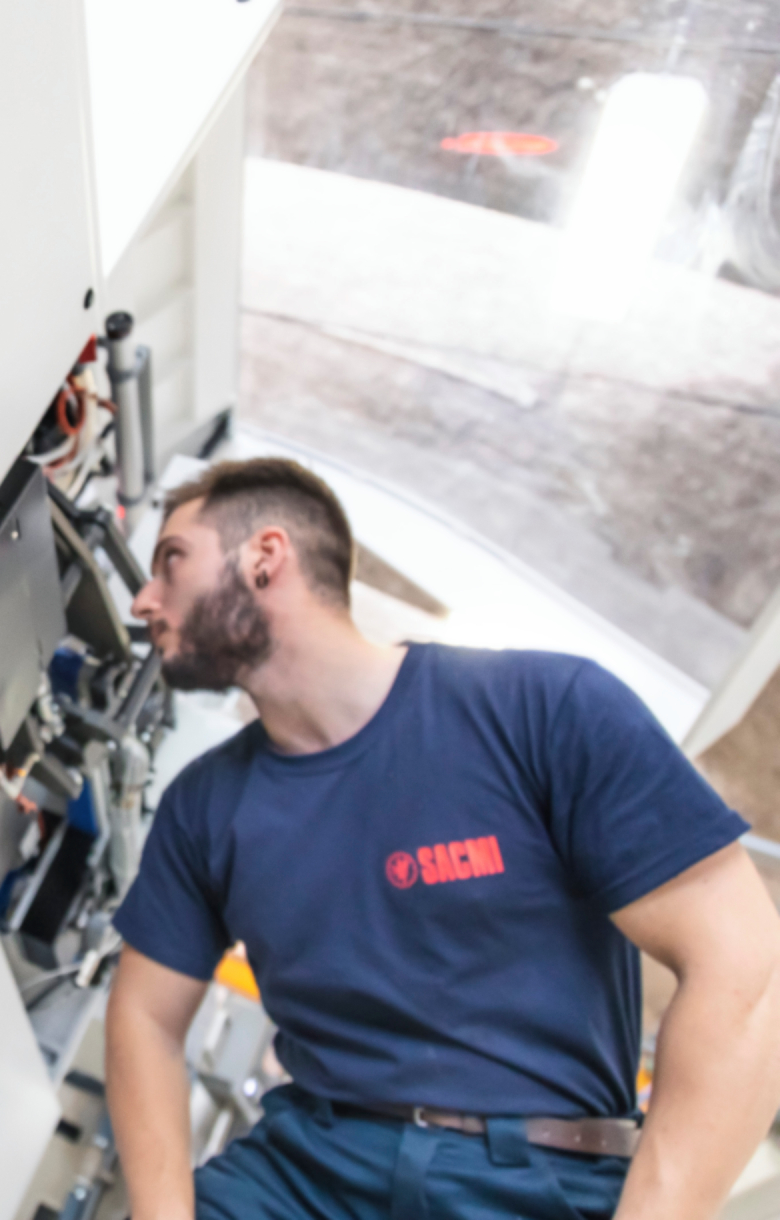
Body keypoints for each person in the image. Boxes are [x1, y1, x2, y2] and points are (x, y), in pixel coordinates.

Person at [105, 457, 780, 1220]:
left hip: (534, 1182)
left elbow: (744, 967)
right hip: (309, 1173)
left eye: (171, 561)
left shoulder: (547, 709)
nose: (143, 600)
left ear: (265, 557)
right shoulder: (203, 807)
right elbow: (145, 1017)